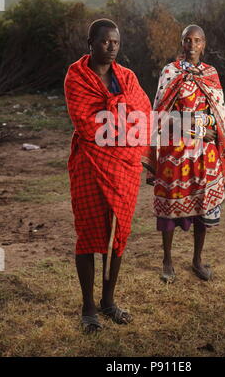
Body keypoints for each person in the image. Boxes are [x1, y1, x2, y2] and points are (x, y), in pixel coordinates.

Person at [64, 19, 151, 332]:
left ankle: (109, 301)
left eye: (115, 42)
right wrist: (121, 121)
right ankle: (88, 306)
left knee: (118, 235)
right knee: (89, 235)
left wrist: (130, 144)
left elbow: (142, 115)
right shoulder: (77, 77)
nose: (111, 47)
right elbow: (87, 124)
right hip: (90, 162)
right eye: (104, 42)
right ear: (90, 42)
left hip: (125, 168)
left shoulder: (127, 78)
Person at [145, 24, 225, 283]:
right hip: (176, 152)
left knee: (203, 207)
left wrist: (209, 130)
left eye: (197, 41)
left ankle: (197, 259)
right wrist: (196, 128)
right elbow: (161, 115)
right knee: (170, 205)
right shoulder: (170, 72)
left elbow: (218, 114)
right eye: (187, 40)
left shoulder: (211, 73)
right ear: (181, 43)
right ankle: (167, 261)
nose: (192, 45)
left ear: (204, 44)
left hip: (205, 154)